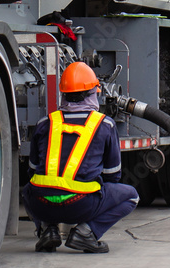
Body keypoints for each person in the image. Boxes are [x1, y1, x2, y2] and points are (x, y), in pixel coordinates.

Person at [22, 61, 139, 253]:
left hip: (41, 205)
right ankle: (86, 233)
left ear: (63, 93)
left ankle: (46, 230)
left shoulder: (45, 123)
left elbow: (33, 170)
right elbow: (113, 176)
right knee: (131, 196)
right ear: (94, 92)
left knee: (29, 189)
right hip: (82, 205)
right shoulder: (105, 125)